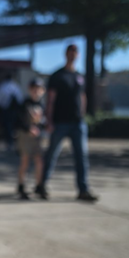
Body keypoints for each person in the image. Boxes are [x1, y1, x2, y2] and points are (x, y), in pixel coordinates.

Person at [35, 45, 98, 202]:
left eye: (75, 52)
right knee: (52, 154)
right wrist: (48, 120)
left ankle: (83, 189)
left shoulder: (79, 76)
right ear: (66, 54)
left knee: (81, 157)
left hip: (78, 123)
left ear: (78, 55)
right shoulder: (57, 76)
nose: (73, 55)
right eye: (70, 52)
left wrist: (83, 116)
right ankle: (42, 185)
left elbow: (82, 97)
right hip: (60, 122)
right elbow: (51, 100)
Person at [15, 78, 45, 200]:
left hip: (37, 137)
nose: (36, 91)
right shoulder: (24, 103)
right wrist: (28, 129)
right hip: (25, 136)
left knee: (39, 161)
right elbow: (18, 121)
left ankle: (39, 185)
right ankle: (21, 185)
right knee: (25, 161)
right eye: (34, 89)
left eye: (38, 89)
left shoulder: (41, 105)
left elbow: (42, 121)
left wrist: (42, 127)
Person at [0, 74, 23, 151]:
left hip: (6, 111)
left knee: (7, 127)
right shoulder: (16, 87)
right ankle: (16, 144)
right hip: (15, 111)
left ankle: (10, 143)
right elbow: (20, 99)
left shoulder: (2, 87)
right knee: (15, 128)